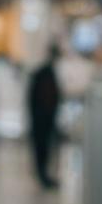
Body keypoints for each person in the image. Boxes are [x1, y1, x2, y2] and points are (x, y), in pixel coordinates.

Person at [27, 45, 61, 189]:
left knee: (45, 149)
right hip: (42, 120)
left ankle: (45, 176)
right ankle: (43, 176)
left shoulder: (45, 72)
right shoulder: (44, 73)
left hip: (44, 119)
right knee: (42, 149)